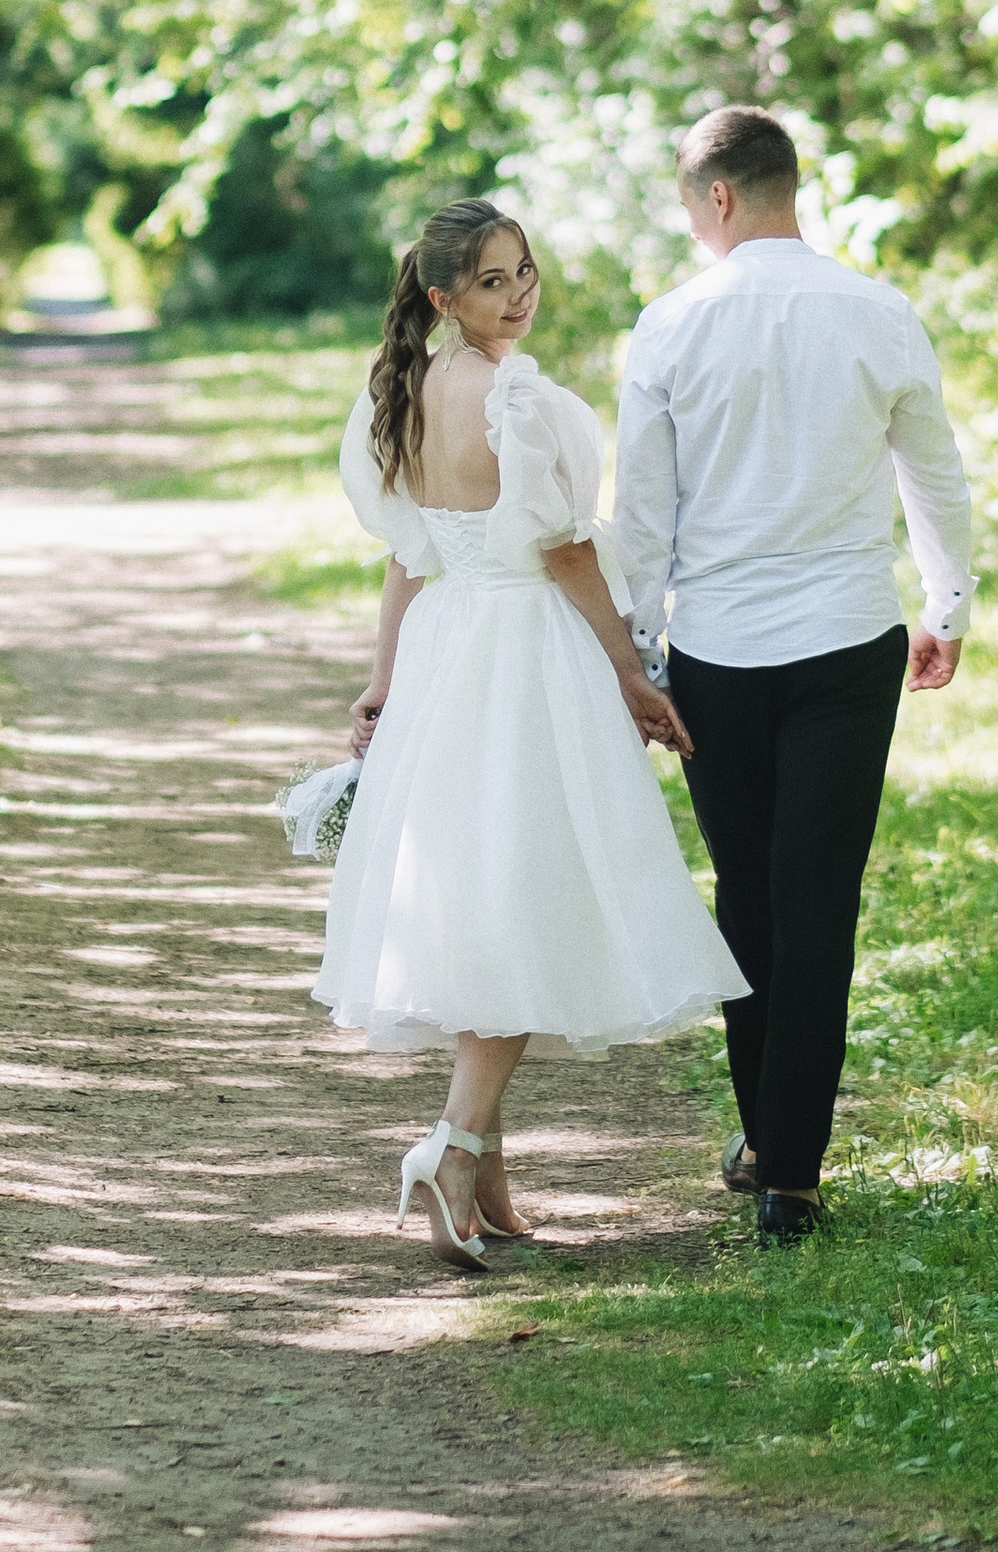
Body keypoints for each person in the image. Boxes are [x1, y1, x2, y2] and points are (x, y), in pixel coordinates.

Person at [315, 197, 744, 1263]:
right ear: (442, 296)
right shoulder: (519, 398)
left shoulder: (400, 393)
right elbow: (563, 552)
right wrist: (630, 674)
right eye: (493, 282)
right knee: (523, 893)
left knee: (480, 887)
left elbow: (409, 557)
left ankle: (489, 1171)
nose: (518, 297)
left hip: (450, 648)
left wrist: (383, 683)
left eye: (525, 273)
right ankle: (452, 1148)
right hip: (522, 652)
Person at [612, 105, 972, 1247]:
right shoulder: (879, 311)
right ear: (784, 186)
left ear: (716, 198)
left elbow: (644, 511)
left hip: (714, 652)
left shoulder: (669, 324)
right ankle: (790, 1179)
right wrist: (946, 606)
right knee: (820, 901)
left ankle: (767, 1135)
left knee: (748, 896)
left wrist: (639, 652)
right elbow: (935, 473)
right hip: (847, 644)